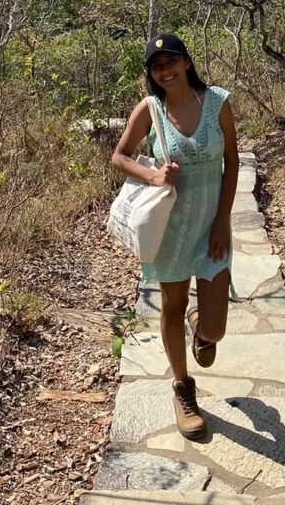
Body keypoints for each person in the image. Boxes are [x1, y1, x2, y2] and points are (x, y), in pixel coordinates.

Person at [111, 33, 239, 441]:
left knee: (216, 330)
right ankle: (183, 390)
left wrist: (223, 219)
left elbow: (233, 160)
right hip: (171, 229)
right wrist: (153, 175)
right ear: (152, 73)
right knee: (171, 304)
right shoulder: (150, 109)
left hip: (211, 227)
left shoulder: (217, 101)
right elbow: (119, 155)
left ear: (186, 62)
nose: (165, 71)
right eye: (156, 66)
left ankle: (201, 327)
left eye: (171, 61)